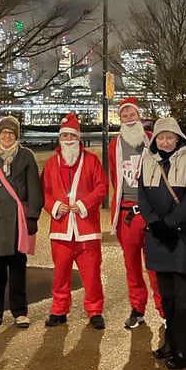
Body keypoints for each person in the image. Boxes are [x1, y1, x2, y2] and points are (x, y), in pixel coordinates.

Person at [138, 116, 186, 370]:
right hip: (158, 237)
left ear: (178, 138)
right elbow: (143, 196)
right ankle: (171, 342)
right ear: (155, 139)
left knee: (185, 298)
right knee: (167, 297)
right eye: (161, 137)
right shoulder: (148, 162)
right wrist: (155, 222)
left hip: (184, 236)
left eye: (170, 137)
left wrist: (171, 223)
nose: (166, 142)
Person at [0, 116, 43, 329]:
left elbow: (34, 188)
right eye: (4, 132)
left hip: (18, 222)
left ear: (16, 135)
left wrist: (33, 216)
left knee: (17, 269)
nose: (7, 136)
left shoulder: (26, 156)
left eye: (11, 133)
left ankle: (20, 311)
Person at [41, 112, 109, 329]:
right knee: (60, 273)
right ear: (60, 139)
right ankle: (59, 309)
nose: (69, 140)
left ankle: (94, 310)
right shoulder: (51, 163)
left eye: (72, 136)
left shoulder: (92, 161)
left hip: (86, 227)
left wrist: (83, 204)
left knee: (91, 273)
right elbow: (43, 192)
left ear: (78, 138)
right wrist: (53, 206)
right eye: (65, 136)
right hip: (61, 228)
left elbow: (102, 187)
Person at [109, 96, 163, 329]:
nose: (129, 119)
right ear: (119, 119)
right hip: (126, 213)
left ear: (139, 116)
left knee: (155, 265)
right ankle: (137, 308)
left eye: (132, 115)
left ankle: (163, 310)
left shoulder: (152, 141)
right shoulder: (115, 145)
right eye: (125, 116)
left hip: (149, 212)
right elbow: (114, 176)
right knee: (131, 264)